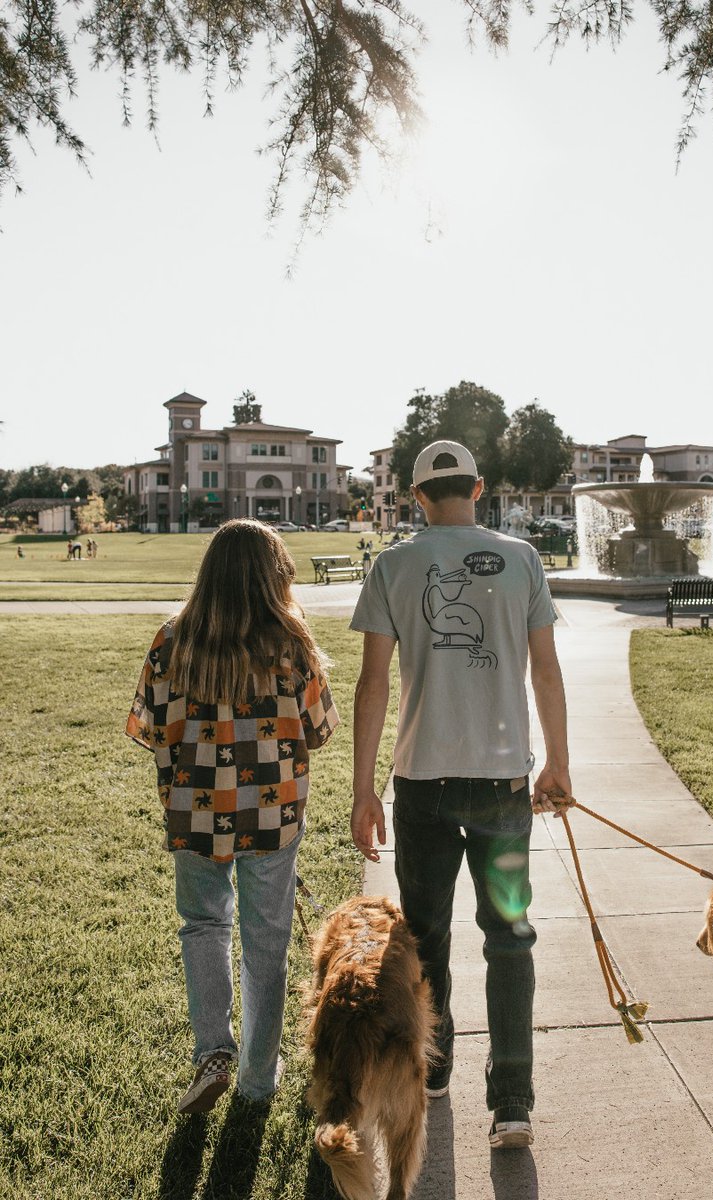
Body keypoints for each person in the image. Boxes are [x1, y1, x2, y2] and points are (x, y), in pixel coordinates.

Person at [349, 439, 571, 1151]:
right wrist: (557, 764)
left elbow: (374, 684)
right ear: (478, 488)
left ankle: (434, 1067)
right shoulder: (523, 558)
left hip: (422, 788)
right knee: (509, 938)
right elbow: (546, 669)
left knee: (427, 934)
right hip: (504, 784)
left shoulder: (393, 564)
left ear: (417, 497)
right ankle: (512, 1103)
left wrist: (363, 789)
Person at [126, 519, 339, 1114]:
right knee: (266, 944)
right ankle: (256, 1080)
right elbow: (319, 730)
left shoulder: (171, 640)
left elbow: (149, 727)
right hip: (272, 815)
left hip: (193, 812)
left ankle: (212, 1052)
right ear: (275, 576)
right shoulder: (291, 642)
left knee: (203, 926)